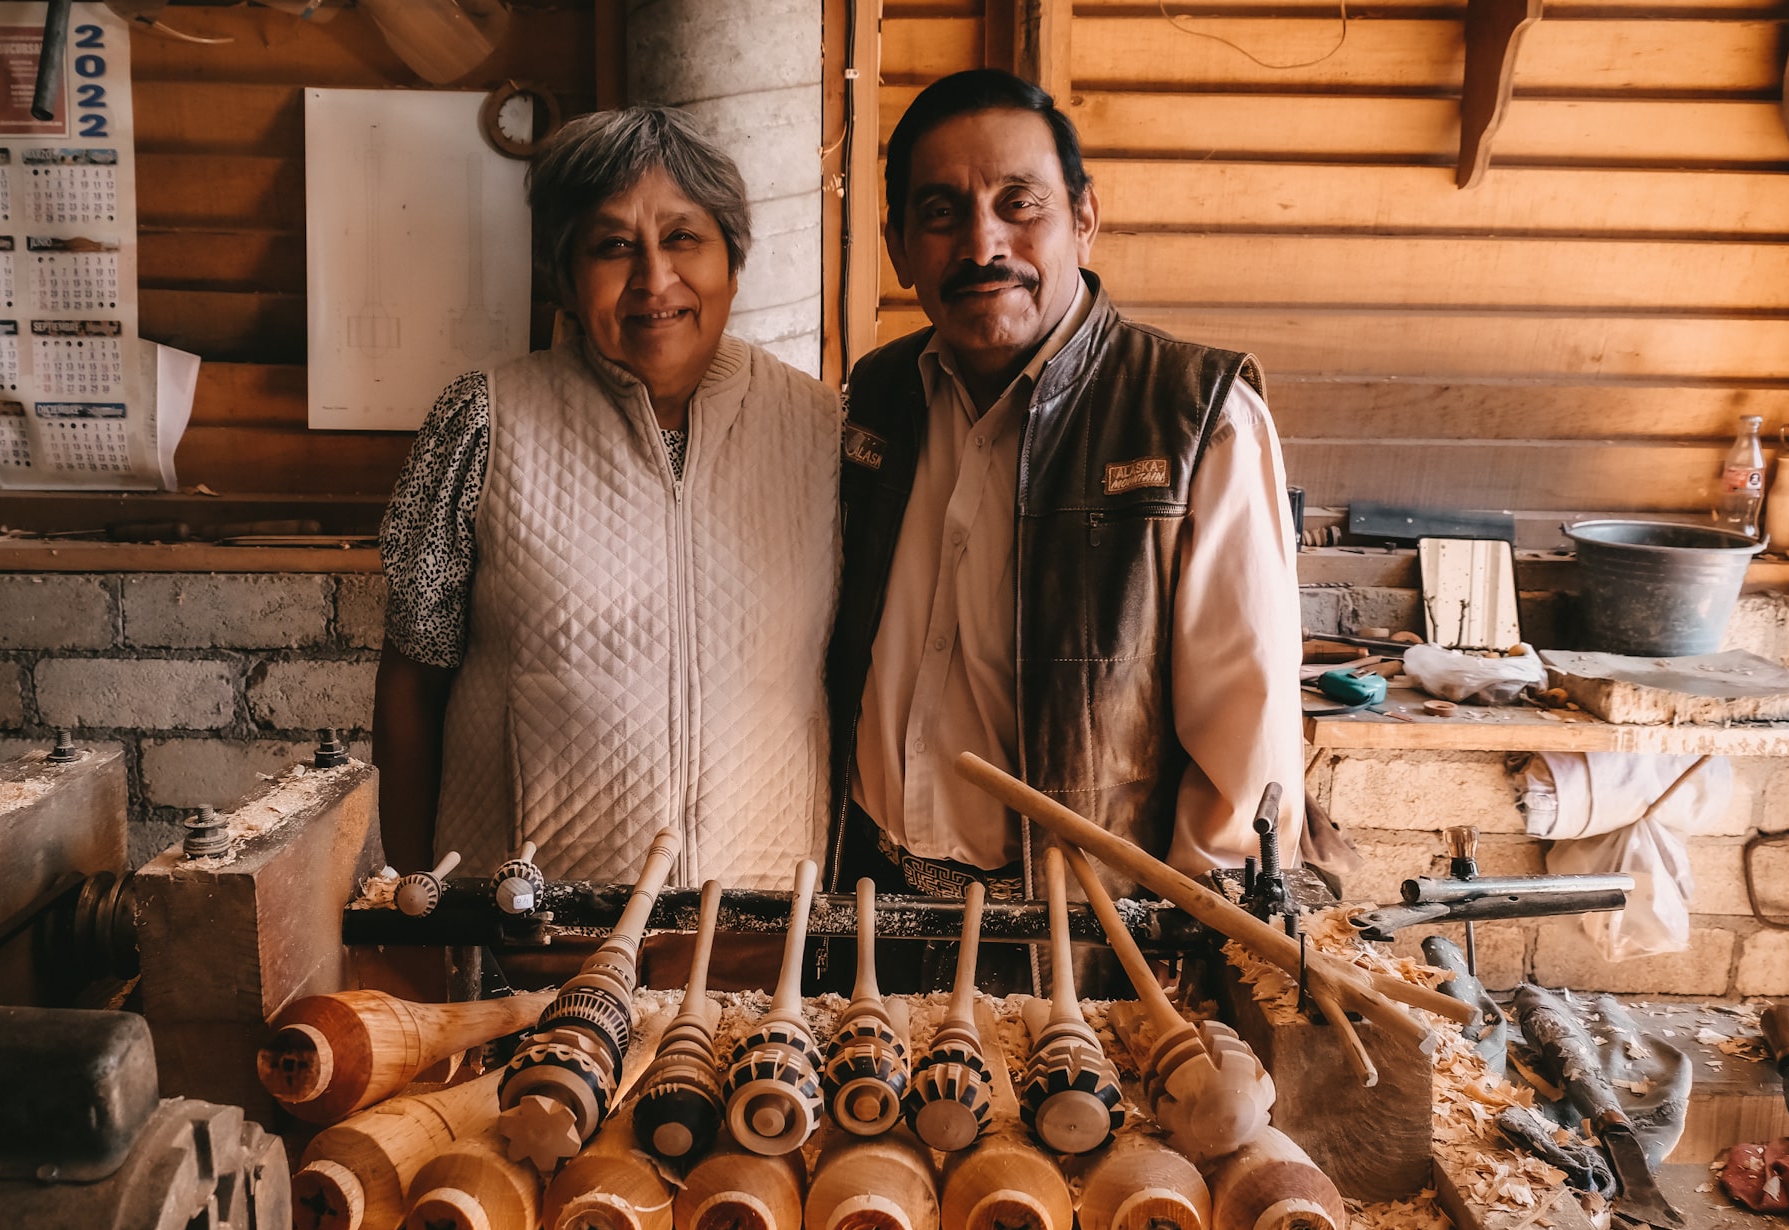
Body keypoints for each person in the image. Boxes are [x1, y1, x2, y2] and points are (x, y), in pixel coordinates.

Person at [823, 69, 1303, 978]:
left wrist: (1200, 962)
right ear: (897, 245)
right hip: (867, 919)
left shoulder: (1198, 417)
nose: (982, 243)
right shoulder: (874, 402)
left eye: (1019, 202)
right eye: (940, 212)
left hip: (1082, 950)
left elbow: (1248, 747)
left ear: (1083, 216)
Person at [374, 107, 839, 943]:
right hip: (527, 936)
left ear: (734, 262)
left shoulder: (822, 430)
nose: (654, 280)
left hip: (754, 937)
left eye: (684, 238)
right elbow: (412, 678)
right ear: (562, 271)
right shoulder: (481, 419)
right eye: (613, 245)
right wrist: (416, 904)